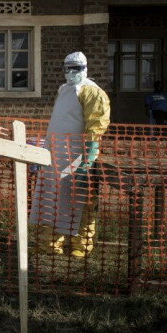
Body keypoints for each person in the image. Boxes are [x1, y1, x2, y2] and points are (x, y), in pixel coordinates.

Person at [29, 51, 110, 258]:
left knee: (80, 200)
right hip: (55, 156)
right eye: (68, 69)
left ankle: (80, 245)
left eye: (76, 68)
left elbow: (96, 125)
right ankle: (50, 244)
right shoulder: (64, 90)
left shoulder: (92, 92)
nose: (71, 72)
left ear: (85, 68)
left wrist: (88, 158)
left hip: (76, 156)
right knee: (51, 199)